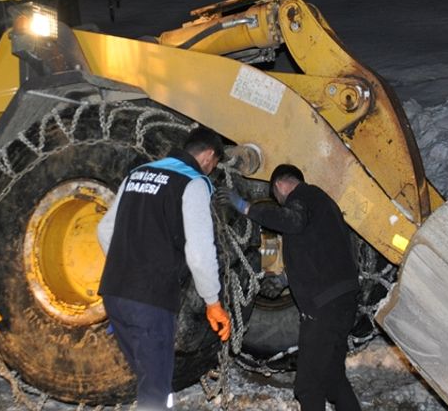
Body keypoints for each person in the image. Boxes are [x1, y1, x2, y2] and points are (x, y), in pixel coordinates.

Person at [96, 126, 232, 410]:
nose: (210, 170)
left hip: (114, 294)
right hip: (150, 300)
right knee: (155, 391)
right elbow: (199, 252)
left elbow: (104, 230)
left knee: (151, 381)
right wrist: (213, 303)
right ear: (209, 156)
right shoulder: (192, 183)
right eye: (214, 164)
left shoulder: (138, 174)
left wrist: (128, 266)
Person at [215, 164, 362, 411]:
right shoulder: (322, 206)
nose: (281, 204)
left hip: (323, 307)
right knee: (332, 378)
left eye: (277, 199)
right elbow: (317, 250)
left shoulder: (304, 197)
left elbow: (291, 221)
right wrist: (285, 279)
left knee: (308, 386)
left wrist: (244, 206)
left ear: (280, 186)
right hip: (342, 302)